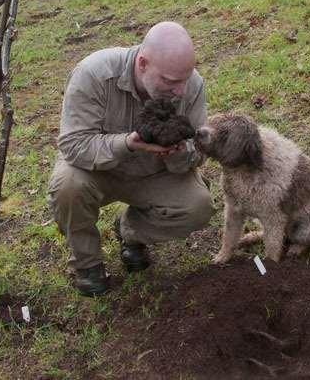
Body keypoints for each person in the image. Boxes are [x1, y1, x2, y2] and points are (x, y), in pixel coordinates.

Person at [47, 22, 216, 296]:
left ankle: (128, 231)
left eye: (184, 80)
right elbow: (73, 144)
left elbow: (200, 148)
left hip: (153, 172)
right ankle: (88, 263)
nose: (180, 92)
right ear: (142, 63)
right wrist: (126, 143)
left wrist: (179, 153)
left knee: (197, 206)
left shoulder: (190, 85)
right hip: (96, 170)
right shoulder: (93, 74)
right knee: (67, 186)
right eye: (171, 82)